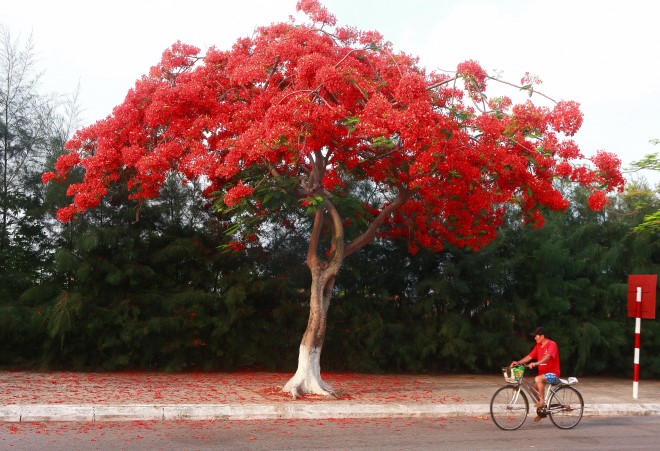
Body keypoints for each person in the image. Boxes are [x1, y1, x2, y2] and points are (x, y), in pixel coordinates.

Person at [510, 327, 560, 422]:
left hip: (553, 374)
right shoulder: (538, 346)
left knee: (538, 379)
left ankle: (542, 401)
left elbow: (548, 356)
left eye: (536, 336)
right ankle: (542, 410)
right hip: (542, 375)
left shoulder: (552, 344)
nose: (535, 338)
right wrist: (518, 362)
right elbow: (529, 356)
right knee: (532, 388)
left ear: (542, 336)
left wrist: (536, 363)